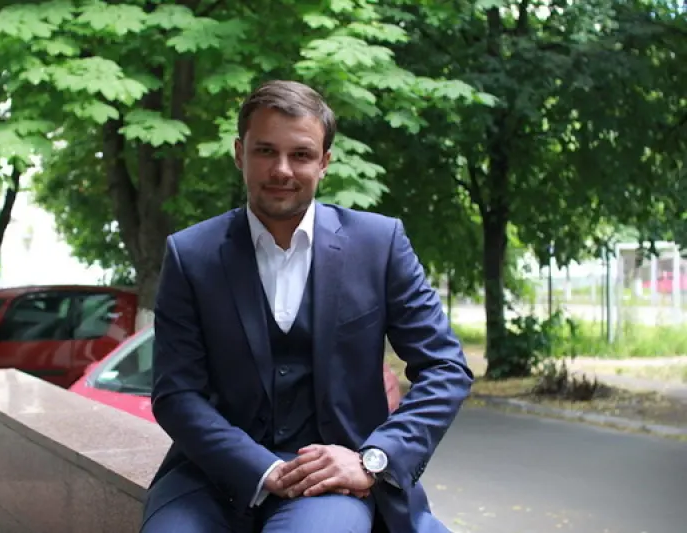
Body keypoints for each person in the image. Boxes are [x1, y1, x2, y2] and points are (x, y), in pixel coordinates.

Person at [141, 80, 473, 533]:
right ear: (239, 153)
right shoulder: (190, 254)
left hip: (334, 481)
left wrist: (374, 459)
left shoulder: (379, 245)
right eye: (265, 151)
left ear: (324, 162)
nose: (282, 170)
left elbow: (445, 367)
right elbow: (176, 393)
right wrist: (262, 469)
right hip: (212, 477)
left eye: (300, 154)